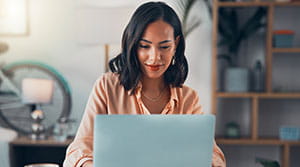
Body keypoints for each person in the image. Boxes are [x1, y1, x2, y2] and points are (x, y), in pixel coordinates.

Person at [63, 2, 226, 167]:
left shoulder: (188, 98)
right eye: (144, 46)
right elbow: (78, 149)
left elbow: (212, 154)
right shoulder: (107, 87)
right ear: (133, 45)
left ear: (175, 45)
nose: (154, 57)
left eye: (164, 47)